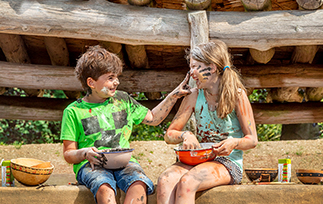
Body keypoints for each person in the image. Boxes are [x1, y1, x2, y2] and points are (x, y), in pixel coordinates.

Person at [60, 45, 191, 204]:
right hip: (92, 166)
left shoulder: (123, 100)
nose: (117, 82)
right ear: (91, 82)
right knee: (104, 187)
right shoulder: (73, 111)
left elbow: (153, 118)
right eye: (110, 78)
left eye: (116, 77)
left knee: (138, 184)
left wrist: (174, 95)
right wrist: (85, 153)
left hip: (125, 163)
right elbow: (68, 154)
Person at [156, 40, 258, 204]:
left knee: (187, 182)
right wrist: (186, 135)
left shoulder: (237, 95)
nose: (191, 73)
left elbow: (252, 140)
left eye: (195, 67)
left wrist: (234, 142)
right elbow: (169, 134)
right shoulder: (194, 95)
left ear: (212, 68)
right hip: (197, 159)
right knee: (165, 179)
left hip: (227, 162)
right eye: (190, 68)